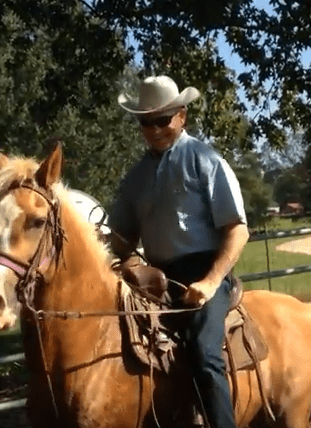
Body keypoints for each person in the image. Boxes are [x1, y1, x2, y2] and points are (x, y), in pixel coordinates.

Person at [108, 75, 249, 428]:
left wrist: (212, 282)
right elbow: (121, 237)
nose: (154, 129)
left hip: (204, 274)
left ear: (182, 116)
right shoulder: (135, 177)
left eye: (162, 120)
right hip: (155, 280)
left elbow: (237, 229)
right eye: (146, 122)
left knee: (204, 354)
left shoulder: (205, 160)